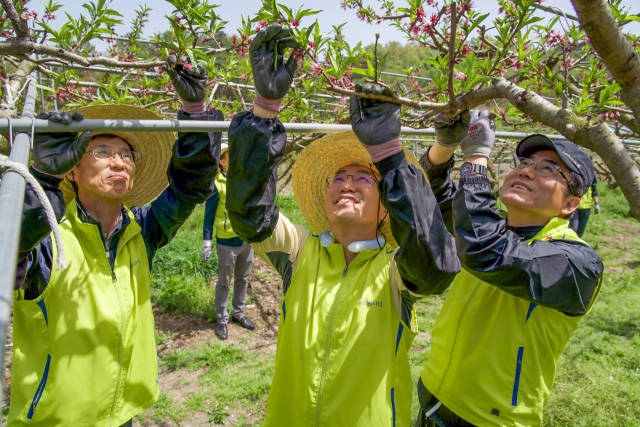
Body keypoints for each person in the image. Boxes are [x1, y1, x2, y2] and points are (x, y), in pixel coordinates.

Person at [225, 24, 461, 427]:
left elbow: (433, 267)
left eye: (363, 178)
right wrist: (264, 108)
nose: (347, 182)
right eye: (338, 178)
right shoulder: (300, 252)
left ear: (386, 209)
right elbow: (250, 214)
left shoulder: (394, 270)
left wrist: (388, 154)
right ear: (326, 202)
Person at [11, 56, 222, 426]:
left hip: (123, 412)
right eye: (103, 152)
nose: (119, 162)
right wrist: (42, 179)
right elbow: (11, 249)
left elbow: (189, 190)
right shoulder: (50, 236)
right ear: (73, 169)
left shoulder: (142, 230)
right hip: (57, 419)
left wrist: (194, 112)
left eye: (127, 155)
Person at [415, 111, 604, 427]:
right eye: (523, 164)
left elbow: (486, 251)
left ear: (571, 204)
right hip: (434, 395)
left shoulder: (578, 263)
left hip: (491, 419)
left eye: (548, 169)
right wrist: (443, 146)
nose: (527, 172)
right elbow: (430, 197)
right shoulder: (492, 226)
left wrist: (476, 160)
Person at [202, 142, 255, 340]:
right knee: (224, 281)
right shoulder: (217, 186)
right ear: (222, 162)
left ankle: (238, 313)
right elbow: (208, 215)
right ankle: (221, 319)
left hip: (245, 240)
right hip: (226, 242)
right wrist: (207, 243)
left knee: (243, 279)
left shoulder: (243, 181)